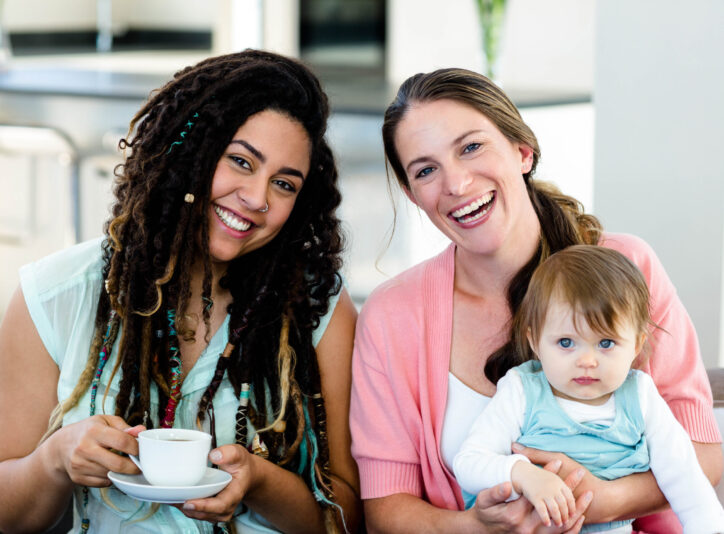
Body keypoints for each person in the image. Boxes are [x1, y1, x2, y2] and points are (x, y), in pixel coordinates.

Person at [0, 50, 361, 534]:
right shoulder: (53, 295)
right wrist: (54, 460)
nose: (257, 199)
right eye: (240, 161)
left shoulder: (320, 313)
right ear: (186, 151)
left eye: (283, 183)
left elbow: (348, 519)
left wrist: (260, 483)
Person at [349, 67, 722, 533]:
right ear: (412, 194)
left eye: (471, 147)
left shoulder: (629, 266)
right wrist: (480, 527)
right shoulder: (391, 316)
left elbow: (702, 454)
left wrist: (601, 502)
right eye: (426, 170)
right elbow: (386, 511)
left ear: (522, 152)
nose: (457, 185)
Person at [453, 245, 724, 533]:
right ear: (535, 342)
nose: (586, 361)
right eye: (566, 343)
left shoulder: (640, 396)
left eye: (605, 343)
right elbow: (468, 464)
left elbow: (686, 479)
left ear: (635, 344)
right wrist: (523, 474)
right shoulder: (521, 391)